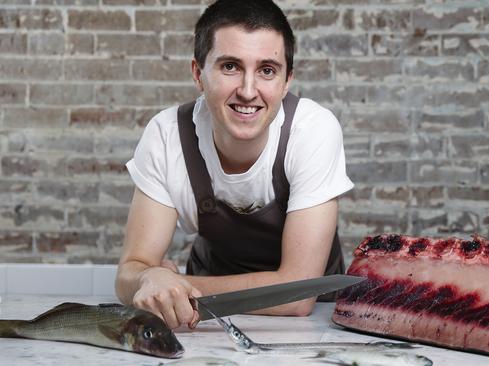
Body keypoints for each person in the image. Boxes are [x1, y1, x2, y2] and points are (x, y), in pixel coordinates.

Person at [114, 0, 354, 329]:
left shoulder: (312, 130)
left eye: (267, 70)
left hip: (314, 322)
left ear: (287, 81)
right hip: (205, 324)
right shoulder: (167, 135)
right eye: (230, 67)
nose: (248, 90)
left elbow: (298, 297)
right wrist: (146, 276)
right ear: (199, 73)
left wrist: (171, 287)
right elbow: (129, 273)